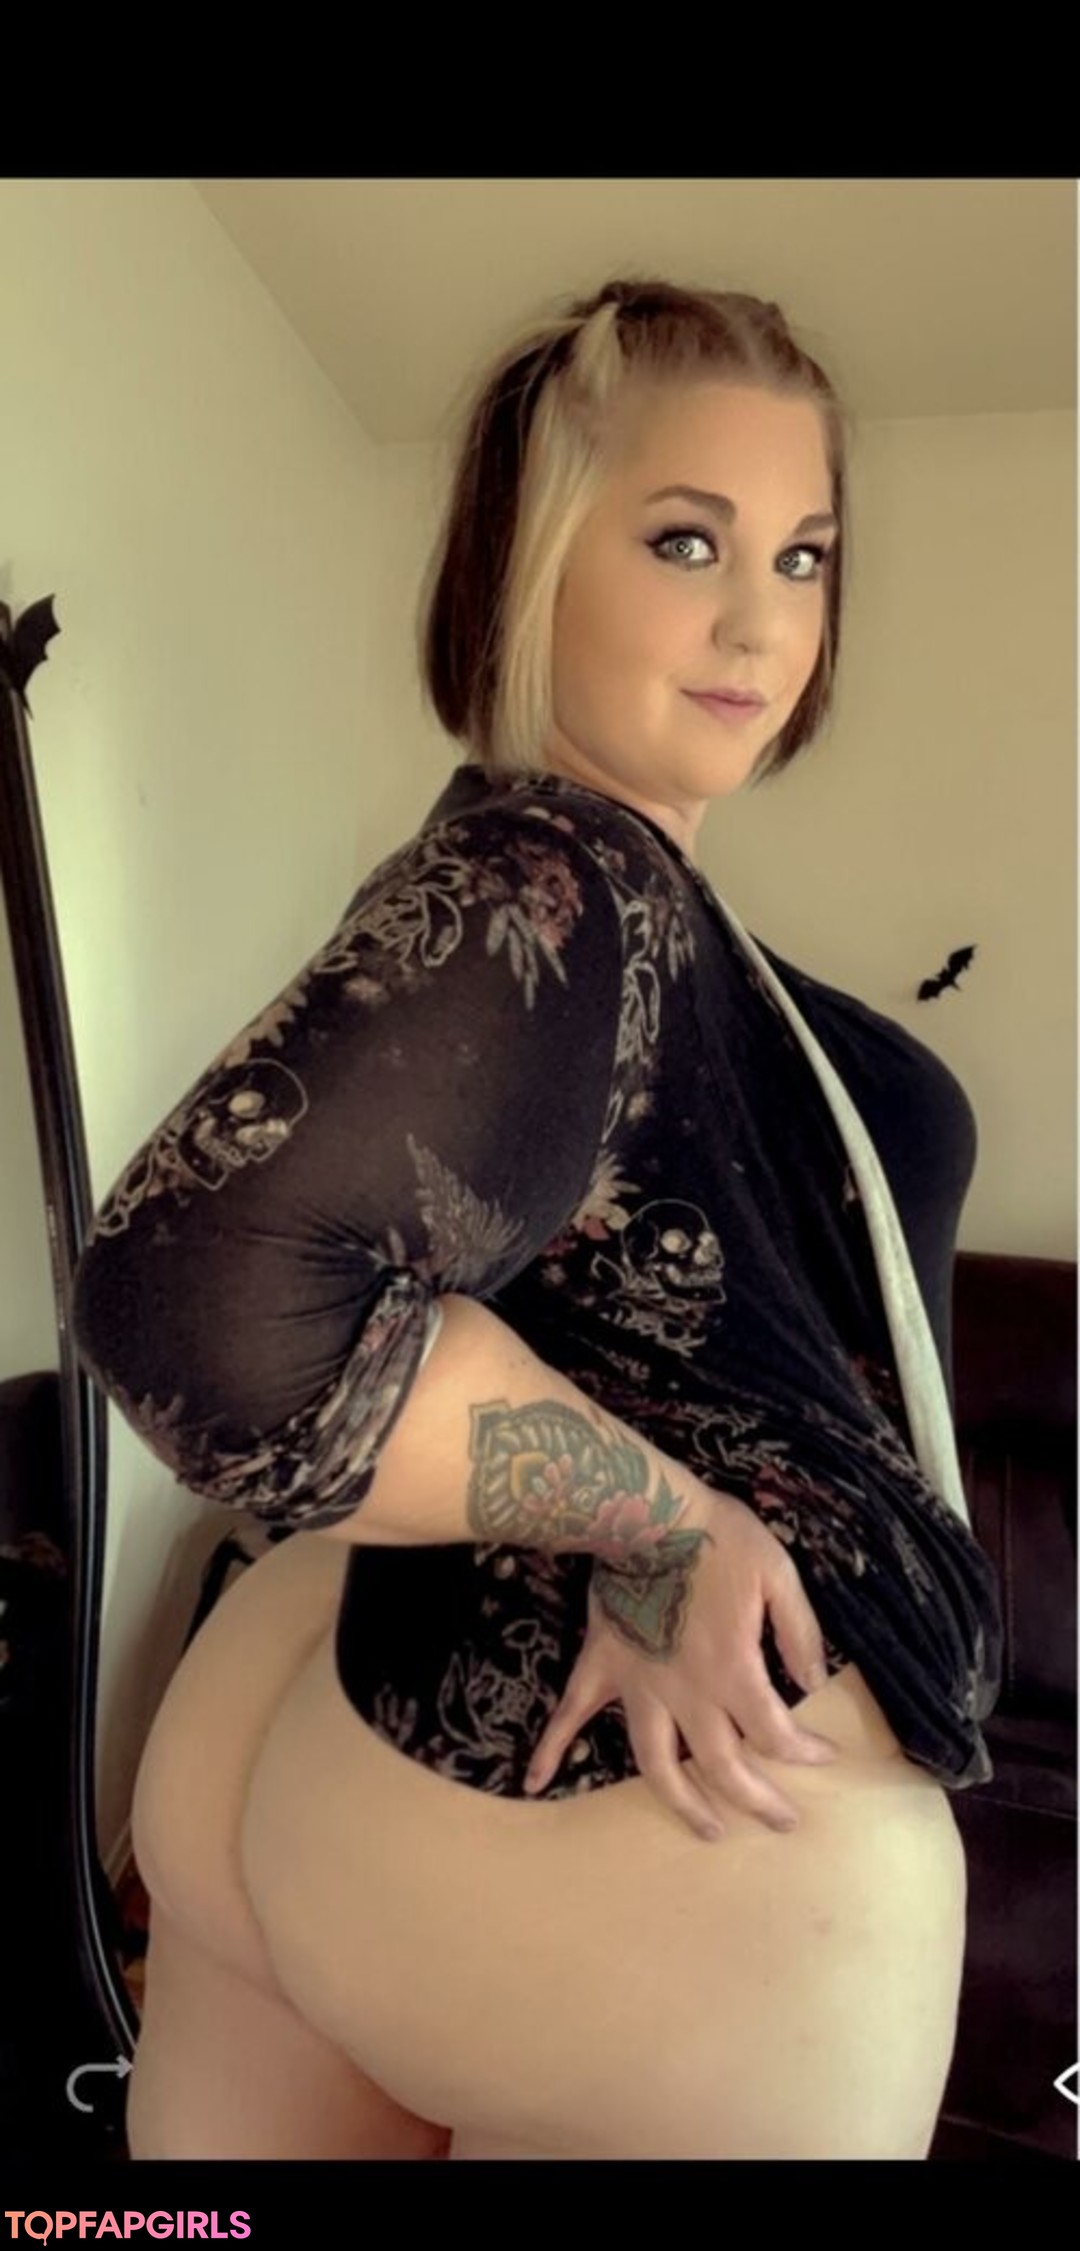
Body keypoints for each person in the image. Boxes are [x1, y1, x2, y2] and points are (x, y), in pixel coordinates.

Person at [71, 276, 1003, 2162]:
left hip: (350, 1734)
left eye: (805, 556)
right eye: (687, 541)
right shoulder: (562, 871)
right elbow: (196, 1293)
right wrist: (657, 1521)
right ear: (529, 559)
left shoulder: (638, 924)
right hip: (653, 1852)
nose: (763, 622)